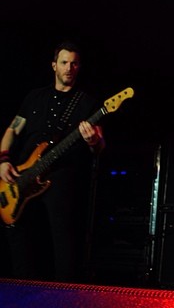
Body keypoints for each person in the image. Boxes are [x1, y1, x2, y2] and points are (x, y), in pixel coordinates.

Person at [0, 41, 104, 281]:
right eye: (64, 62)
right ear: (54, 65)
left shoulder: (86, 103)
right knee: (19, 236)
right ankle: (21, 288)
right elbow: (12, 130)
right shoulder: (35, 97)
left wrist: (93, 141)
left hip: (61, 177)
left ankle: (64, 293)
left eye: (74, 63)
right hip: (22, 175)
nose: (69, 68)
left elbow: (100, 147)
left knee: (63, 241)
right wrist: (4, 160)